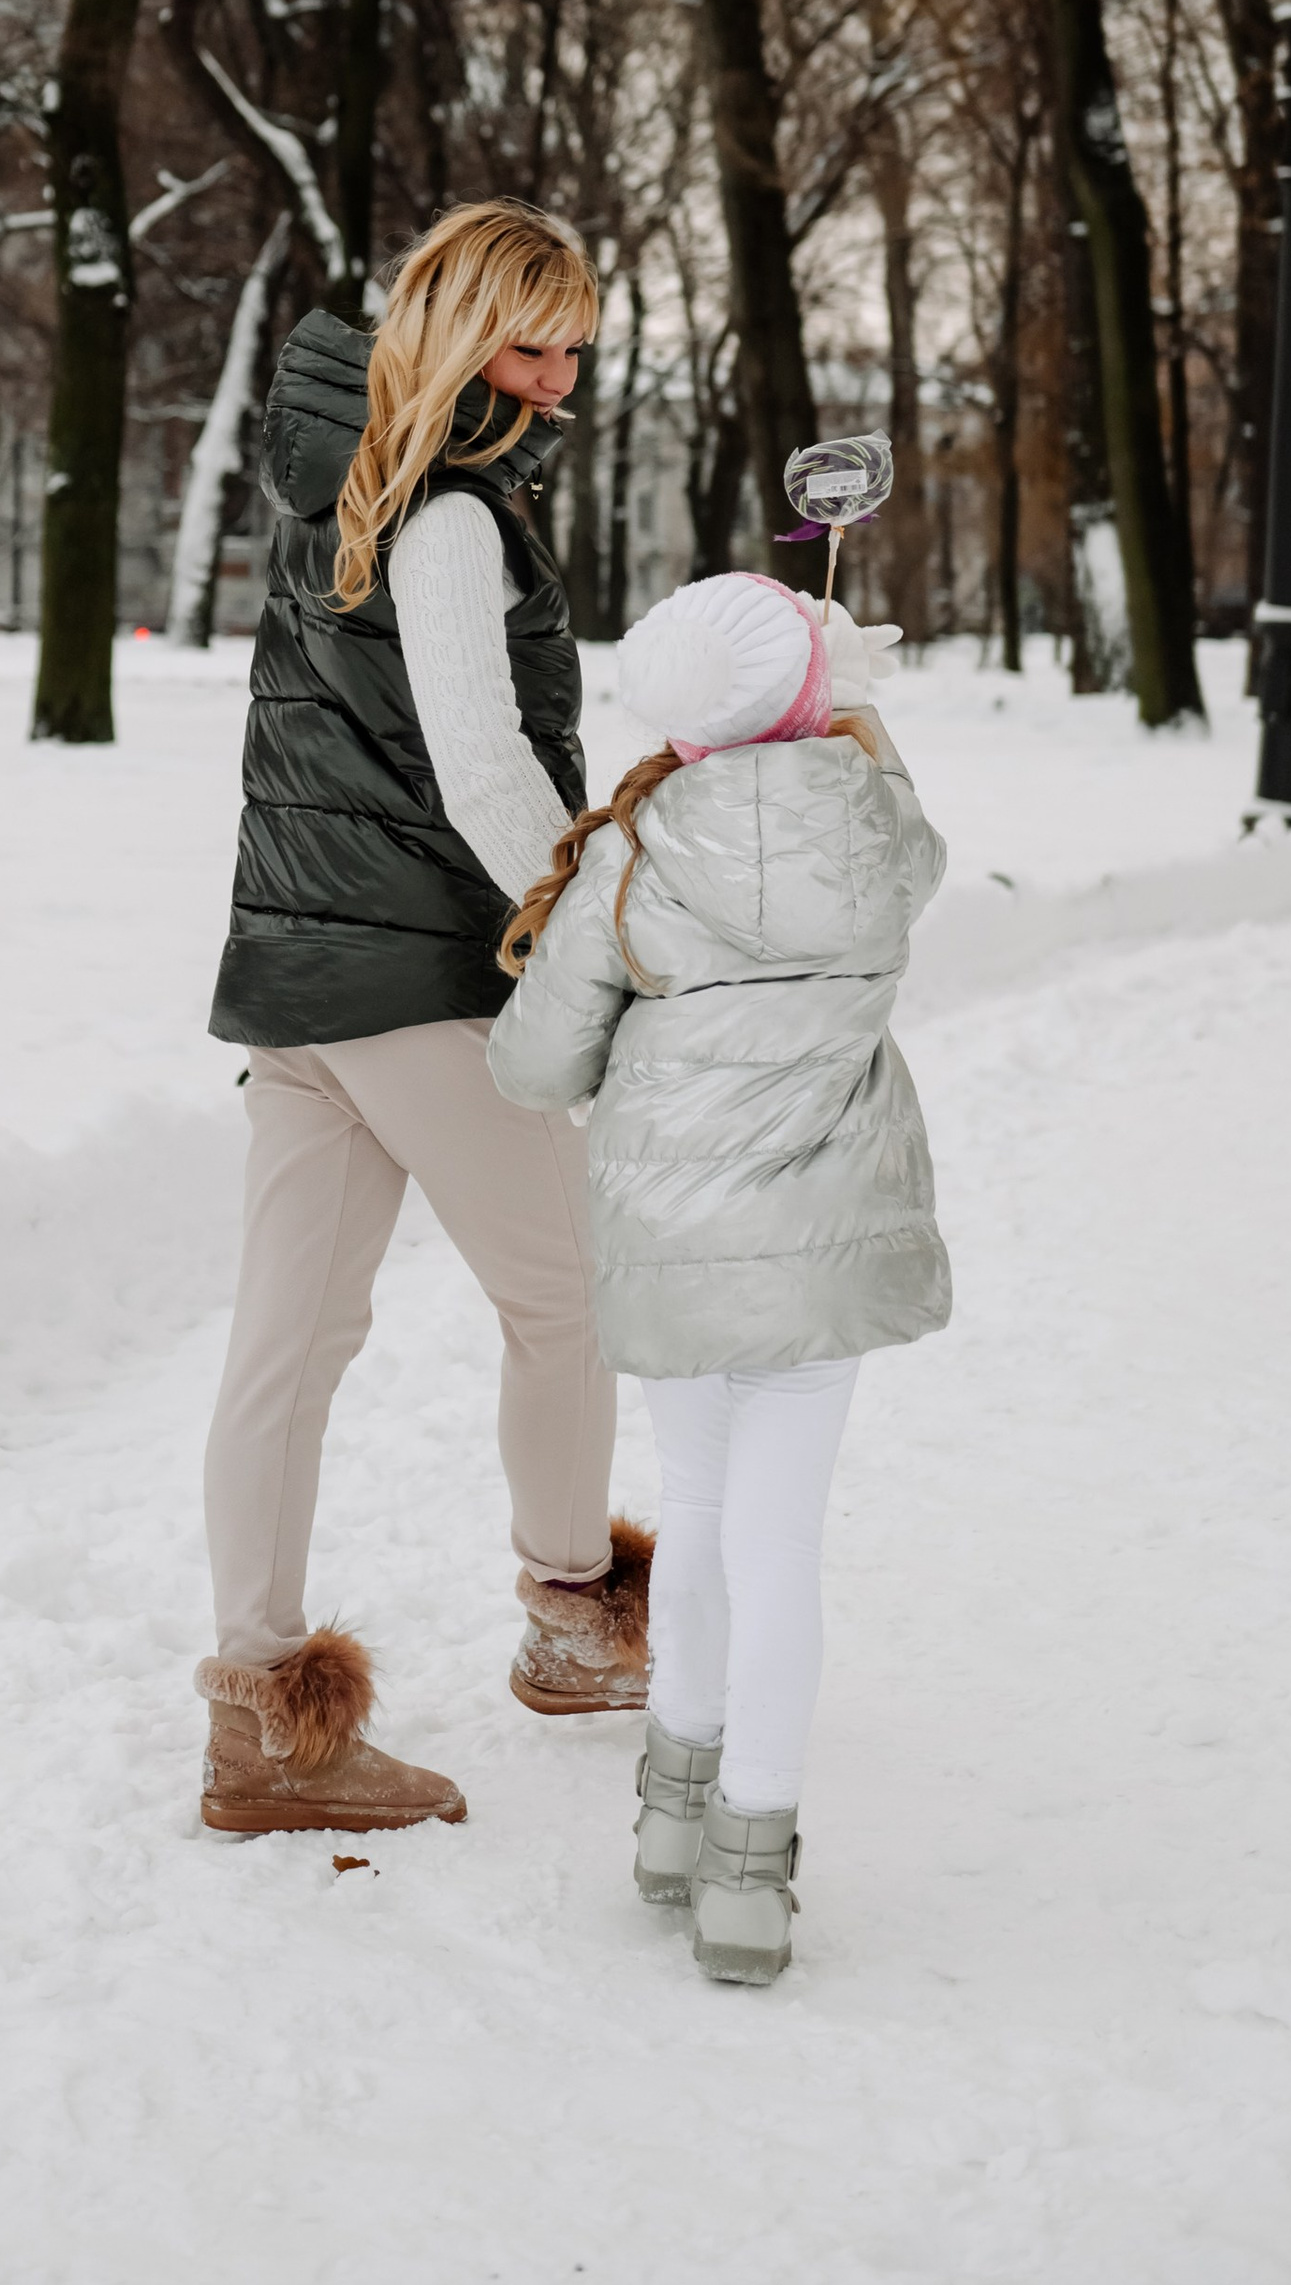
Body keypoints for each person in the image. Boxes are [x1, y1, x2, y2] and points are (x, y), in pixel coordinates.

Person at [195, 202, 653, 1839]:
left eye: (579, 346)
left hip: (300, 984)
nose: (562, 381)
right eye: (534, 346)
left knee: (288, 1347)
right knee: (572, 1298)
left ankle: (261, 1720)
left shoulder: (340, 481)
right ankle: (575, 1619)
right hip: (412, 986)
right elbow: (480, 765)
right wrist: (598, 925)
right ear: (461, 337)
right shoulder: (450, 516)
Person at [488, 569, 948, 1983]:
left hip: (674, 1246)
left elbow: (532, 1062)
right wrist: (850, 704)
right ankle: (752, 1876)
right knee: (779, 1539)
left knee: (695, 1514)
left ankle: (673, 1829)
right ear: (820, 698)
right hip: (821, 1238)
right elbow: (909, 829)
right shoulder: (877, 830)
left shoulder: (633, 851)